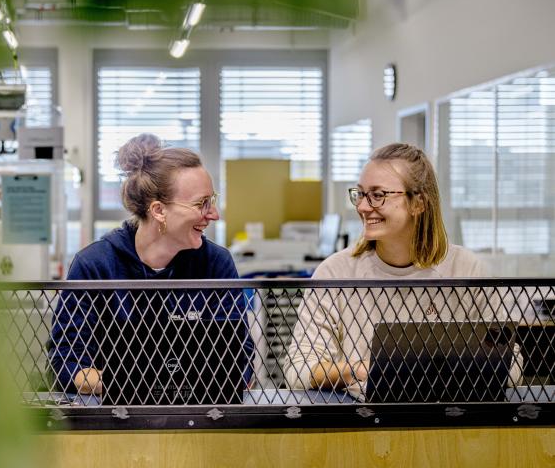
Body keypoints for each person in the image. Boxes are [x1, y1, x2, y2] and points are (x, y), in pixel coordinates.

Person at [286, 143, 521, 400]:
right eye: (361, 194)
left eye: (378, 195)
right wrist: (357, 370)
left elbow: (512, 368)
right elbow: (297, 370)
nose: (363, 207)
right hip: (368, 426)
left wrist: (442, 371)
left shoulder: (466, 269)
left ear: (418, 202)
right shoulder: (334, 272)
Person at [48, 133, 253, 397]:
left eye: (211, 201)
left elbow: (240, 358)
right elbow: (66, 362)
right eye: (201, 204)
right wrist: (127, 385)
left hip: (201, 418)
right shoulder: (95, 265)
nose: (214, 214)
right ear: (158, 211)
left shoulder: (216, 264)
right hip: (115, 419)